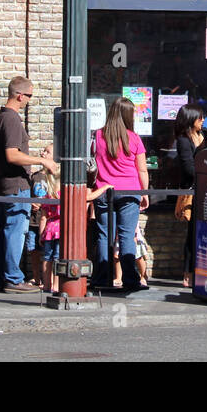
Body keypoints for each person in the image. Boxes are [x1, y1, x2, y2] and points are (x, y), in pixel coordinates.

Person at [0, 76, 57, 294]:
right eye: (29, 96)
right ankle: (13, 279)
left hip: (0, 185)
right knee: (15, 232)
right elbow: (12, 154)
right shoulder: (11, 120)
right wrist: (43, 161)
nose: (29, 100)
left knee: (1, 232)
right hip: (15, 185)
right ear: (19, 95)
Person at [91, 97, 149, 292]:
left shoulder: (98, 136)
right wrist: (144, 193)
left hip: (103, 191)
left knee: (103, 235)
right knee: (126, 236)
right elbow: (142, 170)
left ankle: (101, 278)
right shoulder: (134, 138)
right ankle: (130, 280)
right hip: (129, 191)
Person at [173, 104, 205, 287]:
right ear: (191, 119)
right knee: (193, 233)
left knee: (201, 233)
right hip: (193, 191)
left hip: (206, 190)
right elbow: (188, 168)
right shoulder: (184, 140)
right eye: (199, 117)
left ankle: (199, 271)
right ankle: (188, 274)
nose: (202, 120)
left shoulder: (203, 135)